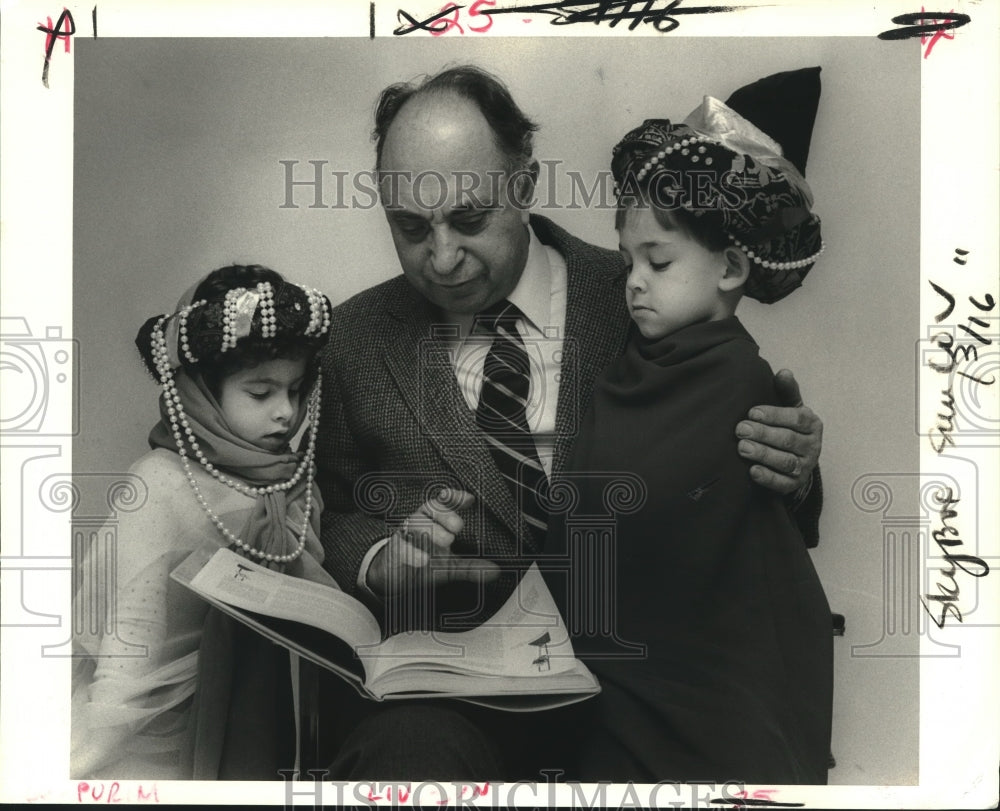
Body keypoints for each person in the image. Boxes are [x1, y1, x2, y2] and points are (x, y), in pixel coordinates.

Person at [314, 65, 825, 778]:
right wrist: (379, 559)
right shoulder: (353, 338)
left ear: (523, 188)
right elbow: (330, 511)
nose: (442, 256)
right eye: (409, 227)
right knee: (405, 753)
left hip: (652, 686)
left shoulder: (643, 293)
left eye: (468, 218)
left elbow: (745, 511)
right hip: (459, 699)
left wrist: (794, 472)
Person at [553, 67, 833, 783]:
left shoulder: (739, 380)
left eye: (658, 260)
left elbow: (697, 518)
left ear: (732, 268)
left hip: (709, 687)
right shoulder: (629, 365)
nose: (634, 281)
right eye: (626, 261)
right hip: (609, 669)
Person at [71, 264, 335, 779]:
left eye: (297, 390)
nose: (287, 412)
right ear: (202, 393)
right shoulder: (160, 485)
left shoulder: (294, 482)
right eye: (260, 393)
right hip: (154, 741)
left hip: (273, 734)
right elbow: (128, 649)